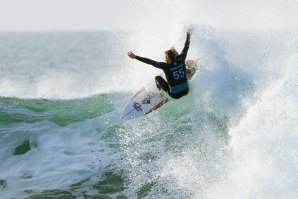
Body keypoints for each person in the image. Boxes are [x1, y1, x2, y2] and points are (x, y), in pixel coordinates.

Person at [127, 30, 191, 99]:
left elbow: (150, 61)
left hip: (175, 95)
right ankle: (189, 74)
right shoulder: (181, 59)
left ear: (168, 59)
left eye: (165, 58)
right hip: (186, 91)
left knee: (157, 78)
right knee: (185, 68)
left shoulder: (165, 66)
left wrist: (135, 57)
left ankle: (160, 93)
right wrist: (188, 35)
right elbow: (186, 46)